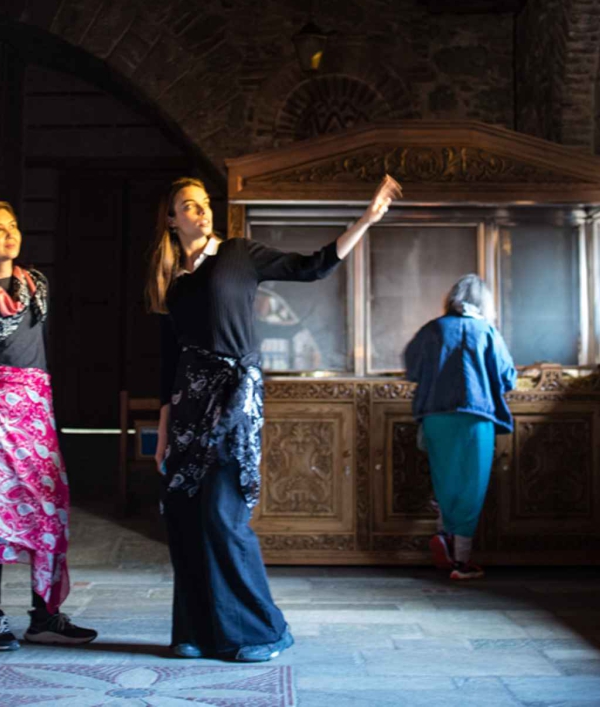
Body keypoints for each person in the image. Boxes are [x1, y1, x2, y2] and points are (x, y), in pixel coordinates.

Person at [148, 174, 402, 662]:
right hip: (187, 408)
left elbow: (312, 267)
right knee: (183, 515)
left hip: (233, 400)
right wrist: (163, 433)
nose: (201, 211)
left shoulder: (238, 254)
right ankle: (196, 631)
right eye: (189, 205)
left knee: (222, 515)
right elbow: (167, 364)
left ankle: (263, 631)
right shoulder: (173, 283)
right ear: (171, 219)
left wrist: (367, 219)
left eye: (204, 203)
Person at [0, 200, 97, 650]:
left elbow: (39, 347)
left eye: (12, 226)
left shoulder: (36, 285)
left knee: (47, 506)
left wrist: (31, 393)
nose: (10, 234)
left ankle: (44, 614)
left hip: (34, 407)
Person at [403, 273, 517, 582]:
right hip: (475, 416)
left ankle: (444, 536)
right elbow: (507, 376)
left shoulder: (433, 328)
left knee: (444, 478)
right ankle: (461, 561)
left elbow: (412, 368)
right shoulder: (487, 331)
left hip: (435, 415)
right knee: (471, 485)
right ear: (484, 302)